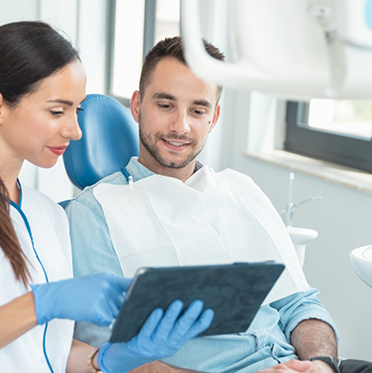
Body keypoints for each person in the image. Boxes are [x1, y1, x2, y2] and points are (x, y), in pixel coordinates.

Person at [0, 23, 215, 373]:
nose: (75, 130)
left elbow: (46, 350)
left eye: (77, 111)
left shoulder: (46, 215)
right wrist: (41, 304)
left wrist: (114, 358)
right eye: (56, 111)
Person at [65, 36, 372, 373]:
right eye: (165, 105)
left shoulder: (242, 189)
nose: (180, 126)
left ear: (214, 117)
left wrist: (322, 364)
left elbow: (300, 303)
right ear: (137, 106)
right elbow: (106, 355)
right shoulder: (95, 212)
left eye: (198, 110)